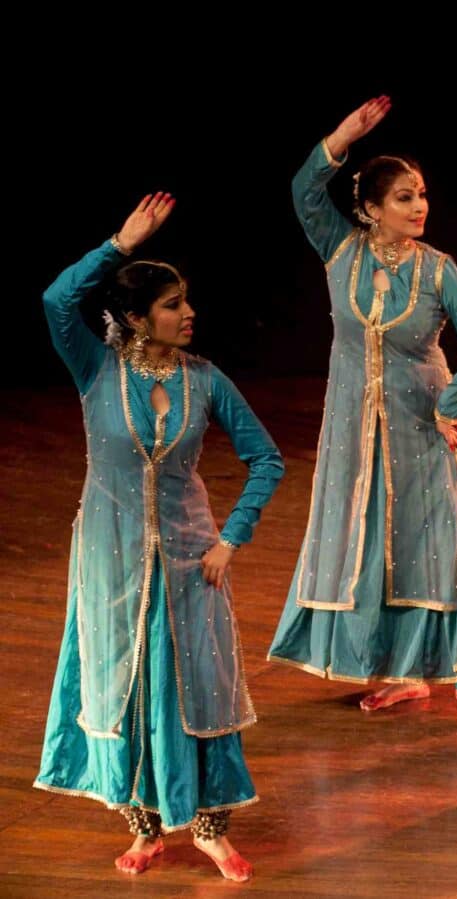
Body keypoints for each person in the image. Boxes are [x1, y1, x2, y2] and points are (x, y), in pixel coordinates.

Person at [34, 193, 285, 881]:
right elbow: (59, 299)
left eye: (186, 301)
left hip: (190, 559)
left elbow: (267, 458)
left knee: (200, 688)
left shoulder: (206, 380)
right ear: (138, 317)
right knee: (124, 684)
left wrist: (231, 537)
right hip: (110, 561)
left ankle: (210, 828)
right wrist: (117, 244)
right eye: (173, 304)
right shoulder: (97, 370)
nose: (188, 312)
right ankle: (144, 824)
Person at [269, 96, 457, 734]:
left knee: (437, 545)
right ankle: (402, 674)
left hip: (425, 426)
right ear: (370, 209)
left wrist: (452, 408)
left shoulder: (438, 270)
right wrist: (343, 134)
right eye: (403, 197)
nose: (419, 205)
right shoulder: (340, 252)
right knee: (373, 543)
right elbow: (302, 191)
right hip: (355, 428)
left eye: (421, 193)